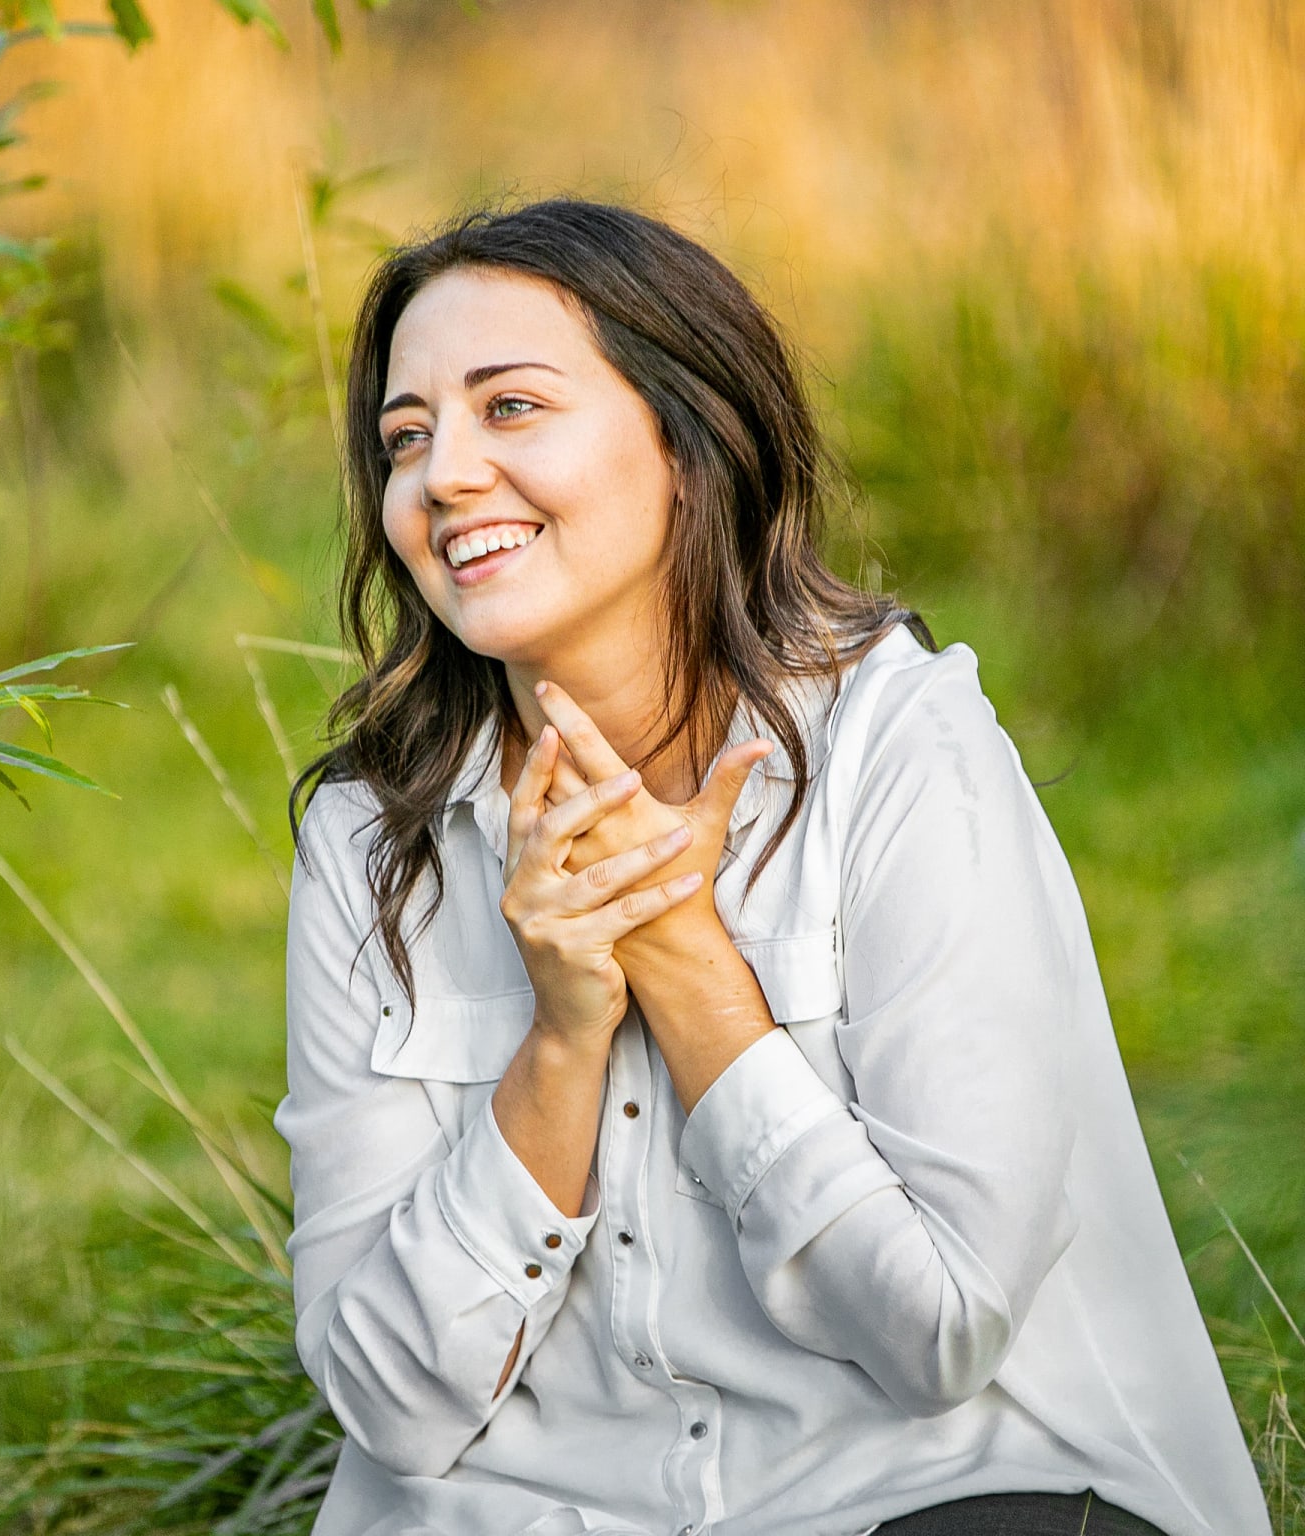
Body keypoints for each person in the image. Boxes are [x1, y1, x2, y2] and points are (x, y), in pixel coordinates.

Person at [274, 199, 1270, 1536]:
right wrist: (560, 1045)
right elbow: (387, 1407)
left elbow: (942, 1329)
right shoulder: (369, 838)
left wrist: (683, 960)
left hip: (926, 1500)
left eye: (510, 408)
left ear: (689, 441)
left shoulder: (902, 749)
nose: (444, 476)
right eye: (407, 437)